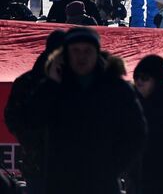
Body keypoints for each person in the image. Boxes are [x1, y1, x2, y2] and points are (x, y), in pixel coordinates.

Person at [28, 27, 148, 192]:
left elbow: (136, 133)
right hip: (60, 183)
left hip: (102, 183)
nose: (81, 56)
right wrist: (51, 83)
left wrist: (112, 167)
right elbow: (32, 121)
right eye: (75, 50)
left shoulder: (116, 88)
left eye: (87, 51)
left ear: (96, 53)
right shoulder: (54, 87)